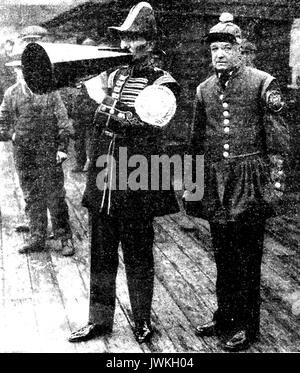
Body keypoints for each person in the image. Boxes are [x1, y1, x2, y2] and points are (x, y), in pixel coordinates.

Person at [68, 2, 180, 344]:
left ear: (150, 42)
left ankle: (142, 320)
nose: (128, 46)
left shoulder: (164, 81)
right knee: (101, 253)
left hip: (138, 177)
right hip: (104, 175)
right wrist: (90, 100)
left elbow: (150, 124)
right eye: (125, 39)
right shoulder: (111, 75)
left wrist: (105, 111)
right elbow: (85, 116)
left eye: (136, 39)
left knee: (138, 252)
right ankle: (98, 320)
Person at [183, 12, 289, 351]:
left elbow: (279, 140)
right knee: (223, 254)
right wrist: (193, 184)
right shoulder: (203, 89)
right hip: (217, 184)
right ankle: (225, 316)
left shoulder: (262, 82)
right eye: (214, 48)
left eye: (226, 48)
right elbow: (196, 142)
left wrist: (274, 188)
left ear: (240, 49)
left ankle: (248, 325)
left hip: (250, 181)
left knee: (248, 258)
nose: (219, 54)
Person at [0, 60, 75, 256]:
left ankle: (64, 237)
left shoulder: (51, 92)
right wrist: (12, 135)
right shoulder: (11, 94)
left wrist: (62, 148)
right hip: (24, 153)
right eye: (20, 69)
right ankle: (37, 237)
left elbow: (63, 121)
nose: (24, 73)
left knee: (55, 195)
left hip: (48, 150)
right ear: (16, 71)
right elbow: (3, 120)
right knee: (31, 194)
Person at [71, 38, 99, 173]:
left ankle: (90, 162)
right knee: (78, 137)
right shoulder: (78, 64)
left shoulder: (99, 65)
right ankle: (79, 162)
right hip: (80, 106)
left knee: (92, 137)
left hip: (92, 104)